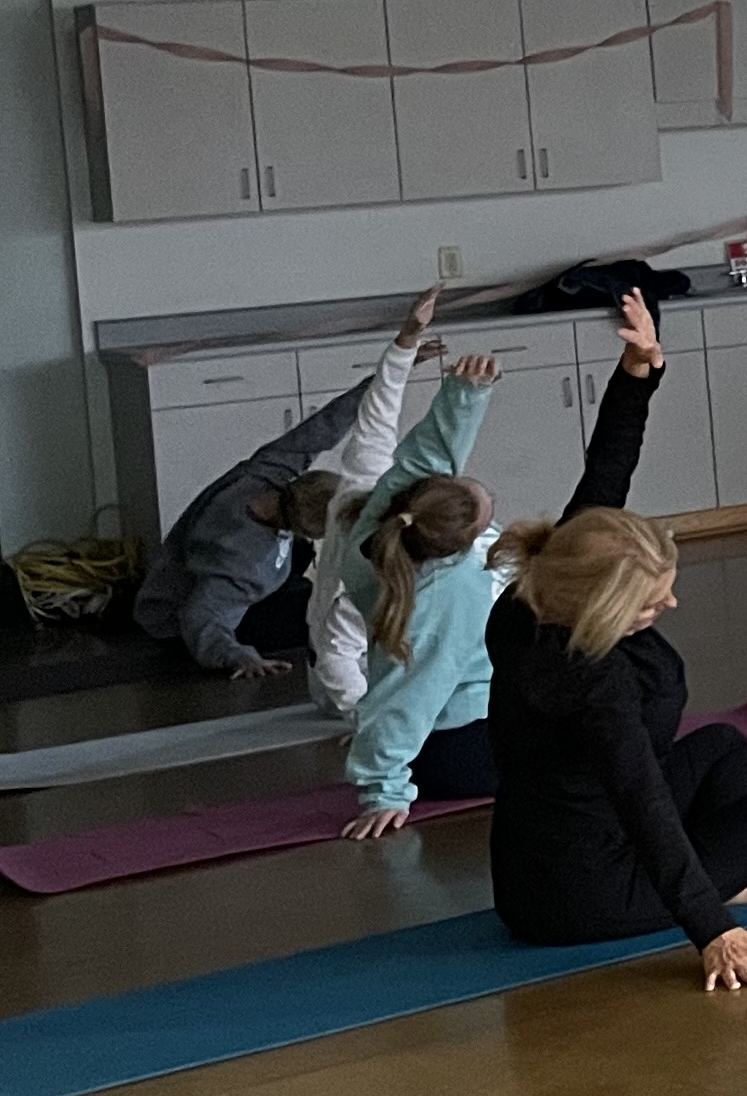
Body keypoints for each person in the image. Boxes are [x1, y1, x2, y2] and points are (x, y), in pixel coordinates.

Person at [485, 294, 747, 991]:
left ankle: (735, 880)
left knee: (725, 746)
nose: (671, 605)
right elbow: (643, 803)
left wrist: (637, 372)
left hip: (540, 864)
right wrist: (714, 929)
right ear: (604, 605)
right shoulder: (593, 685)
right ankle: (742, 889)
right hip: (584, 896)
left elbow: (603, 481)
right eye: (652, 604)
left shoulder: (539, 590)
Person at [135, 295, 439, 679]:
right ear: (303, 531)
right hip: (173, 622)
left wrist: (392, 371)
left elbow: (325, 426)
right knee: (318, 618)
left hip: (211, 576)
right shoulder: (244, 564)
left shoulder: (267, 473)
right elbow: (201, 617)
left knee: (309, 591)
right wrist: (240, 657)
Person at [329, 347, 524, 838]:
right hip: (456, 750)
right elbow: (404, 698)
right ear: (461, 547)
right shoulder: (447, 593)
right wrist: (384, 790)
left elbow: (424, 456)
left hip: (467, 724)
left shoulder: (387, 521)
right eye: (488, 510)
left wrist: (465, 394)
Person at [297, 289, 447, 716]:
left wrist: (408, 337)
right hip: (338, 678)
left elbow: (380, 406)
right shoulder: (356, 582)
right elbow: (336, 660)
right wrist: (365, 721)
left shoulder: (368, 475)